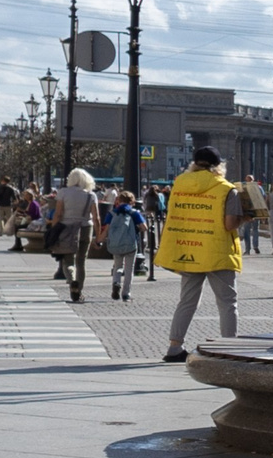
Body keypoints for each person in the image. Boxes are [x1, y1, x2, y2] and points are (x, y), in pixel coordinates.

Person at [159, 146, 245, 361]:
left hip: (189, 247)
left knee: (187, 300)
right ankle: (229, 347)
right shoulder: (226, 189)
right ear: (219, 166)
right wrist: (247, 218)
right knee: (227, 302)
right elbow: (229, 224)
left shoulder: (179, 184)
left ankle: (174, 347)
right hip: (217, 251)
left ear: (194, 163)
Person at [48, 167, 99, 300]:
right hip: (85, 228)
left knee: (67, 260)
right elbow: (96, 217)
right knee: (81, 261)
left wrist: (54, 230)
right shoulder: (91, 195)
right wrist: (98, 236)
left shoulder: (63, 192)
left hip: (66, 228)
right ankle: (79, 291)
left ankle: (72, 282)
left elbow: (58, 213)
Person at [103, 189, 148, 299]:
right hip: (131, 245)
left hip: (116, 244)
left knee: (118, 266)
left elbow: (106, 230)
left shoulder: (112, 213)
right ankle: (126, 293)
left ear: (119, 201)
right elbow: (144, 228)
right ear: (132, 202)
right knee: (129, 269)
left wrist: (99, 240)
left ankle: (116, 283)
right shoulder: (134, 213)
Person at [0, 177, 17, 248]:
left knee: (0, 219)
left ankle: (1, 231)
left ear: (2, 181)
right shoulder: (11, 189)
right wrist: (14, 203)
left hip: (0, 205)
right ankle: (9, 232)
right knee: (9, 219)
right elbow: (14, 197)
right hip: (8, 205)